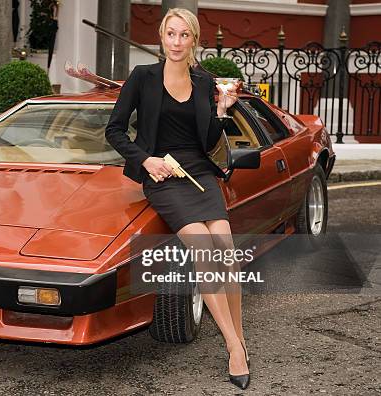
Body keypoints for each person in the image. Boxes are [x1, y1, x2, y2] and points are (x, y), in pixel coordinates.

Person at [104, 8, 250, 390]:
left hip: (199, 174)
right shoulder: (142, 77)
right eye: (171, 34)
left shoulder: (203, 82)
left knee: (226, 253)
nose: (176, 42)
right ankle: (234, 347)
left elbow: (207, 142)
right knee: (204, 249)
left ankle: (240, 337)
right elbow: (115, 130)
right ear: (162, 37)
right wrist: (145, 159)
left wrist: (220, 111)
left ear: (194, 40)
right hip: (164, 177)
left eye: (184, 35)